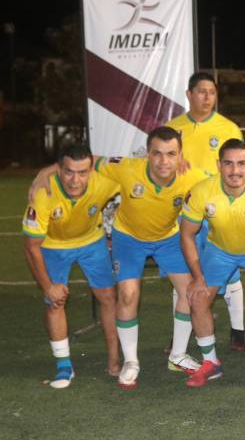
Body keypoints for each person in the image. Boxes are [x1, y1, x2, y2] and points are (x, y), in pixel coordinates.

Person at [95, 127, 208, 389]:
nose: (164, 161)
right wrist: (45, 174)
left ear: (181, 156)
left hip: (168, 239)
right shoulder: (127, 168)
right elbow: (89, 161)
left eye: (171, 154)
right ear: (148, 154)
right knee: (128, 294)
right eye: (157, 154)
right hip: (128, 238)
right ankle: (131, 361)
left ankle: (178, 356)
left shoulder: (191, 175)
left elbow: (224, 178)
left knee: (189, 291)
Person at [180, 139, 245, 387]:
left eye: (241, 164)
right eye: (228, 163)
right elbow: (186, 234)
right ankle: (210, 363)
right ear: (219, 165)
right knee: (197, 298)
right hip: (220, 249)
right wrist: (197, 277)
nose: (235, 170)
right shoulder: (201, 191)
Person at [22, 143, 120, 388]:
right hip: (53, 246)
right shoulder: (43, 193)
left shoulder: (105, 181)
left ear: (91, 171)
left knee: (108, 296)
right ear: (59, 170)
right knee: (55, 301)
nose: (75, 180)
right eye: (68, 171)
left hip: (92, 242)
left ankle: (115, 359)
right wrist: (47, 287)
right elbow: (31, 246)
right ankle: (64, 366)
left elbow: (139, 170)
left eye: (83, 172)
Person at [166, 72, 245, 350]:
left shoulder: (229, 128)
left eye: (211, 92)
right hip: (184, 212)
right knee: (183, 274)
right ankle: (178, 337)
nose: (207, 97)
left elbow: (241, 170)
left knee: (230, 269)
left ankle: (238, 334)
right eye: (201, 91)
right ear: (189, 94)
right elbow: (157, 166)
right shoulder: (172, 130)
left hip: (220, 211)